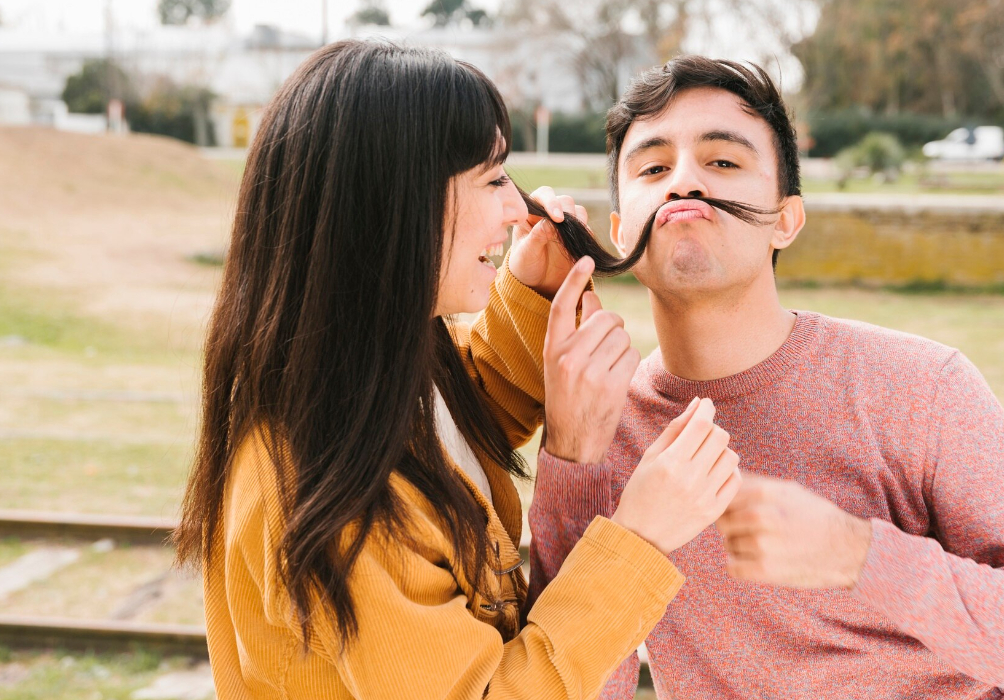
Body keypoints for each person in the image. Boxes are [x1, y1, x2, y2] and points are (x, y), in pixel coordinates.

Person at [525, 56, 1004, 700]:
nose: (683, 181)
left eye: (723, 161)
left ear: (785, 220)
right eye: (653, 168)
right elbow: (579, 682)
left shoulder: (918, 386)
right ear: (619, 232)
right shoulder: (601, 423)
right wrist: (572, 457)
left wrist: (856, 554)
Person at [174, 40, 740, 700]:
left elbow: (463, 430)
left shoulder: (372, 375)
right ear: (396, 204)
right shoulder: (331, 488)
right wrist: (640, 536)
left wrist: (530, 290)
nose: (517, 208)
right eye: (494, 179)